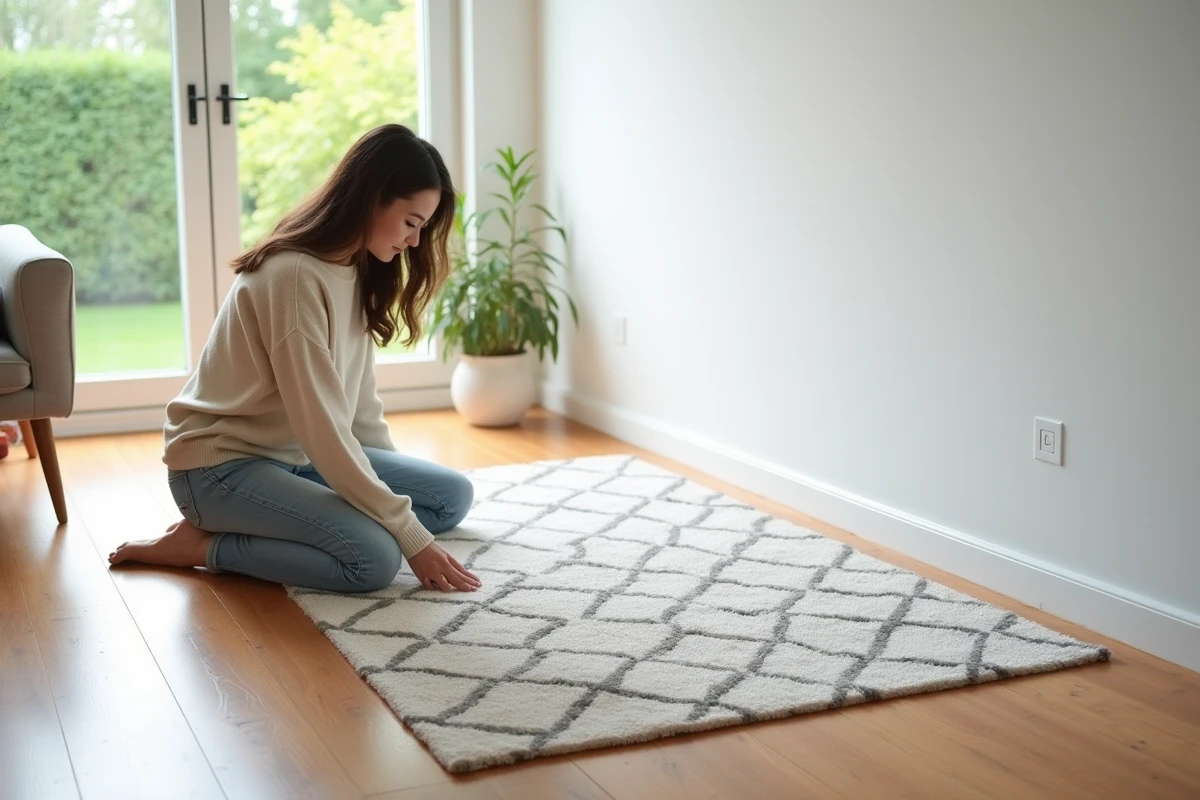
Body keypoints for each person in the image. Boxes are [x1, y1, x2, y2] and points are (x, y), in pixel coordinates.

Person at [109, 124, 481, 595]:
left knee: (450, 498)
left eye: (422, 228)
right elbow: (321, 426)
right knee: (373, 558)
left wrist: (387, 500)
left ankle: (298, 519)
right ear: (372, 199)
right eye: (411, 222)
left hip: (297, 455)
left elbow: (359, 407)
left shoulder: (356, 264)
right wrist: (405, 532)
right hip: (220, 469)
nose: (414, 241)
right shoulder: (293, 277)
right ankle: (201, 547)